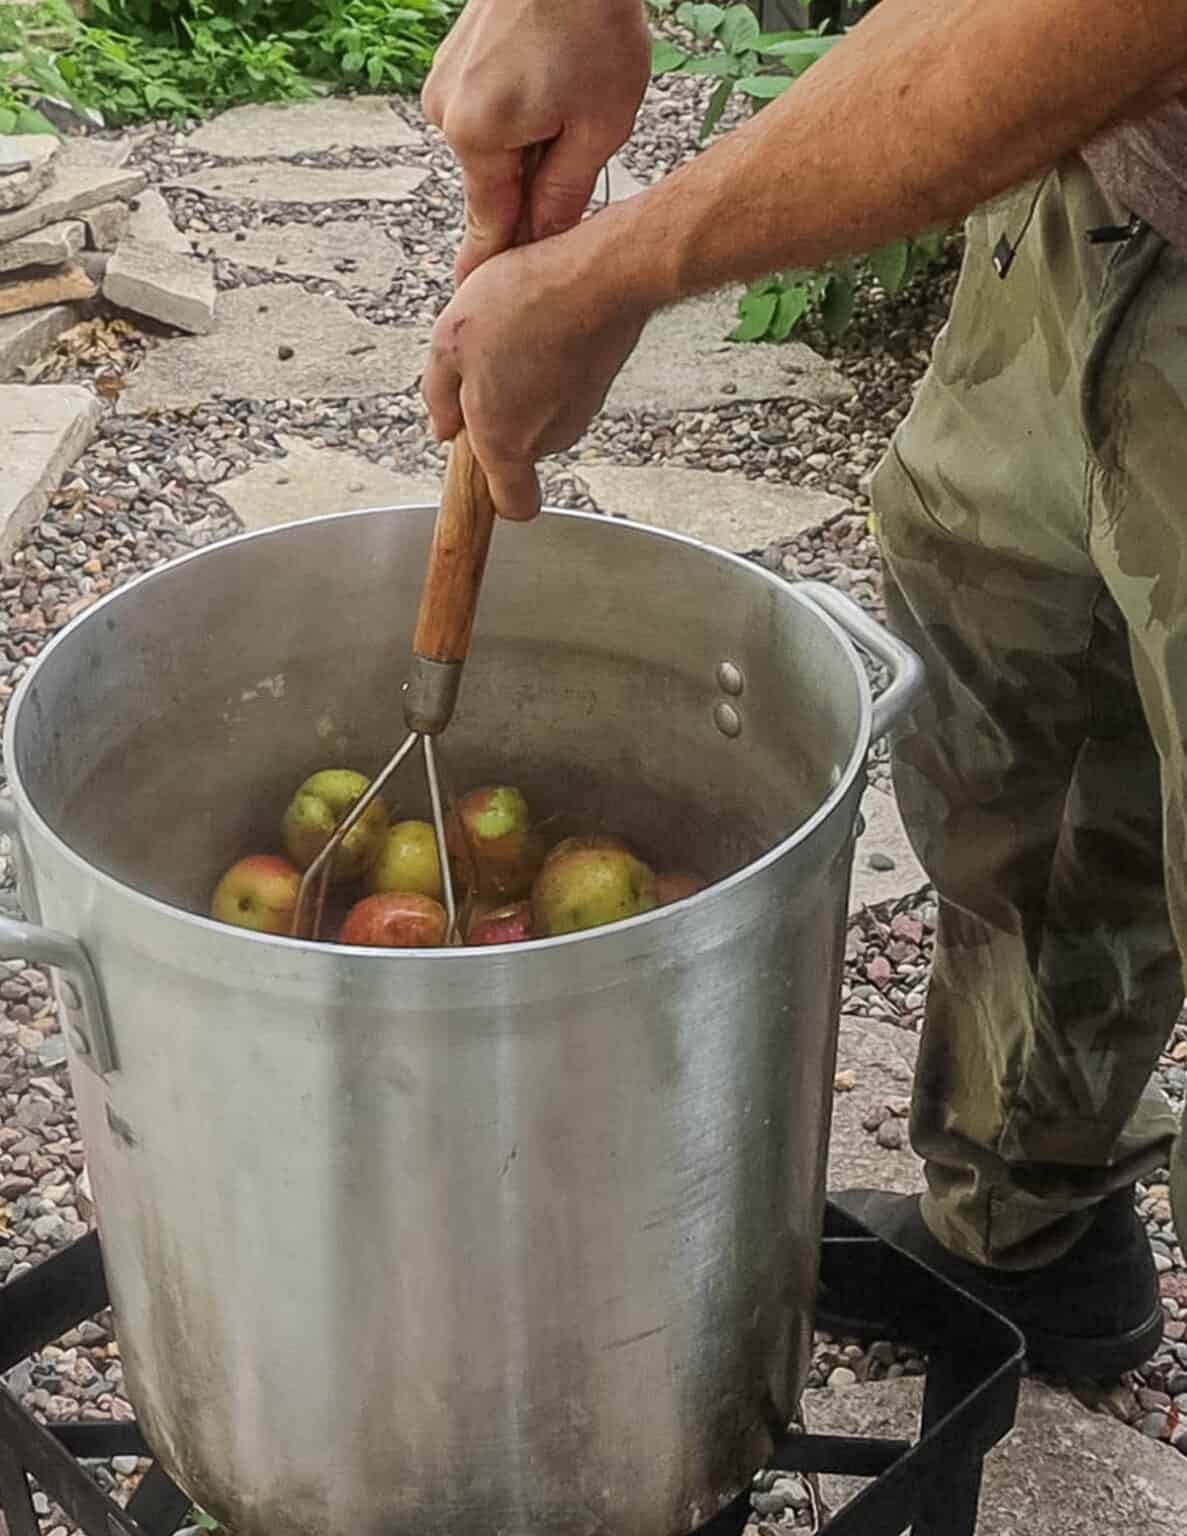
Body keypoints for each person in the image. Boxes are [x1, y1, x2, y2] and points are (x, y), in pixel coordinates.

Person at [422, 0, 1187, 1379]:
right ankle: (1030, 1226)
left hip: (1085, 59)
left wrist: (616, 272)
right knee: (1013, 732)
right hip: (1095, 184)